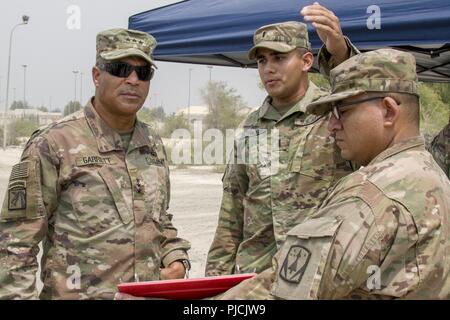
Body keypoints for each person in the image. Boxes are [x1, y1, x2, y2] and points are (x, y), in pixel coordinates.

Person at [220, 48, 450, 299]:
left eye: (343, 111)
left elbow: (282, 293)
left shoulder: (369, 197)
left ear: (388, 111)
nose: (331, 125)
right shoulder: (429, 173)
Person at [0, 28, 191, 300]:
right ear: (97, 75)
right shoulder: (53, 143)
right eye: (120, 68)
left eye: (143, 72)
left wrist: (175, 256)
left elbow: (159, 219)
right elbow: (15, 245)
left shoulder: (152, 143)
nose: (133, 80)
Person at [205, 3, 359, 276]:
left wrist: (340, 52)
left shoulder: (333, 113)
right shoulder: (250, 127)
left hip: (319, 276)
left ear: (306, 61)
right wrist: (216, 281)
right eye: (262, 60)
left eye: (278, 57)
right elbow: (232, 210)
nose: (268, 68)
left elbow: (362, 92)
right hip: (256, 277)